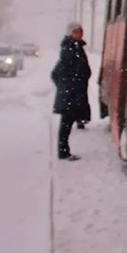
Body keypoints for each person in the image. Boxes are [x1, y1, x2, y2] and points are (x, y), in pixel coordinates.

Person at [51, 22, 92, 161]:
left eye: (81, 31)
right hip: (71, 94)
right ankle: (63, 152)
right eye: (76, 32)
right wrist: (67, 87)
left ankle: (64, 151)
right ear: (70, 34)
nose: (80, 34)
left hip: (73, 92)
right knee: (66, 124)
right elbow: (58, 73)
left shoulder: (75, 48)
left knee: (67, 122)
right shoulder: (70, 49)